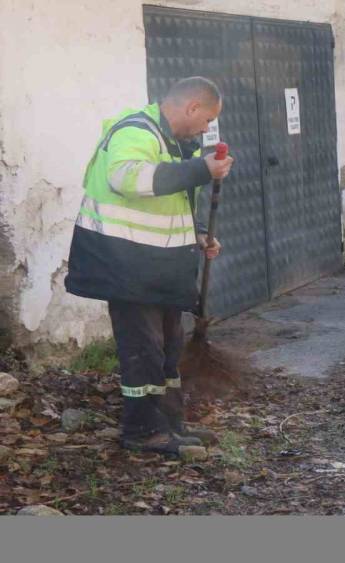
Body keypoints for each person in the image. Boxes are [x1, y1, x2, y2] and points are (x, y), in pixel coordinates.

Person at [65, 76, 235, 454]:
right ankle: (142, 432)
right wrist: (200, 170)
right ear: (191, 107)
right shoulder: (135, 131)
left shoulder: (171, 142)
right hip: (125, 267)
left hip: (155, 268)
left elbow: (170, 202)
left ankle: (170, 426)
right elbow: (127, 178)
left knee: (168, 348)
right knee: (143, 351)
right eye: (207, 119)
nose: (207, 128)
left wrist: (199, 234)